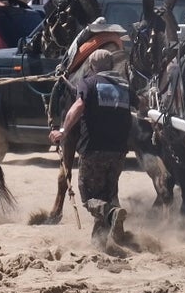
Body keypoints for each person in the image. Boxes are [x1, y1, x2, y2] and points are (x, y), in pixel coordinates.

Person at [48, 48, 134, 254]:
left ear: (92, 66)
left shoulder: (89, 83)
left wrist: (62, 131)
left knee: (88, 197)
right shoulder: (125, 86)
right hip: (119, 152)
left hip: (94, 149)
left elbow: (78, 106)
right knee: (109, 193)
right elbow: (144, 105)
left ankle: (111, 214)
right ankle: (100, 244)